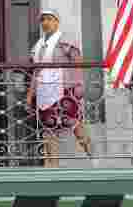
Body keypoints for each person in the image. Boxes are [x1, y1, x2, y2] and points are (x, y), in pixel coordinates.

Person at [27, 9, 93, 167]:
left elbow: (77, 64)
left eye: (49, 19)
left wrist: (77, 86)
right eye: (43, 20)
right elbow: (36, 71)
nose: (46, 23)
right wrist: (30, 94)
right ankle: (52, 167)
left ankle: (93, 155)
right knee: (49, 127)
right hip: (44, 91)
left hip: (64, 89)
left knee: (73, 122)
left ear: (57, 22)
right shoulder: (38, 46)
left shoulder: (65, 41)